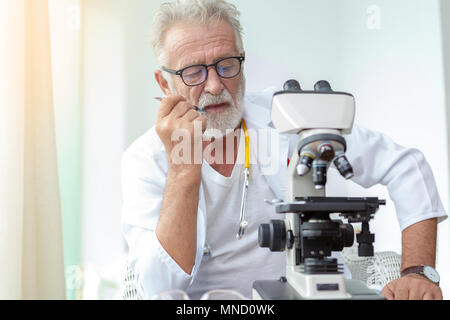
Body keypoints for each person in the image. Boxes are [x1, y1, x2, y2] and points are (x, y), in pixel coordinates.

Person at [121, 0, 447, 300]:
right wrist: (184, 168)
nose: (215, 85)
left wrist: (418, 271)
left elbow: (405, 166)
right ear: (165, 85)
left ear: (242, 61)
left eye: (226, 64)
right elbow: (160, 287)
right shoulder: (144, 160)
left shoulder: (289, 113)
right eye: (193, 72)